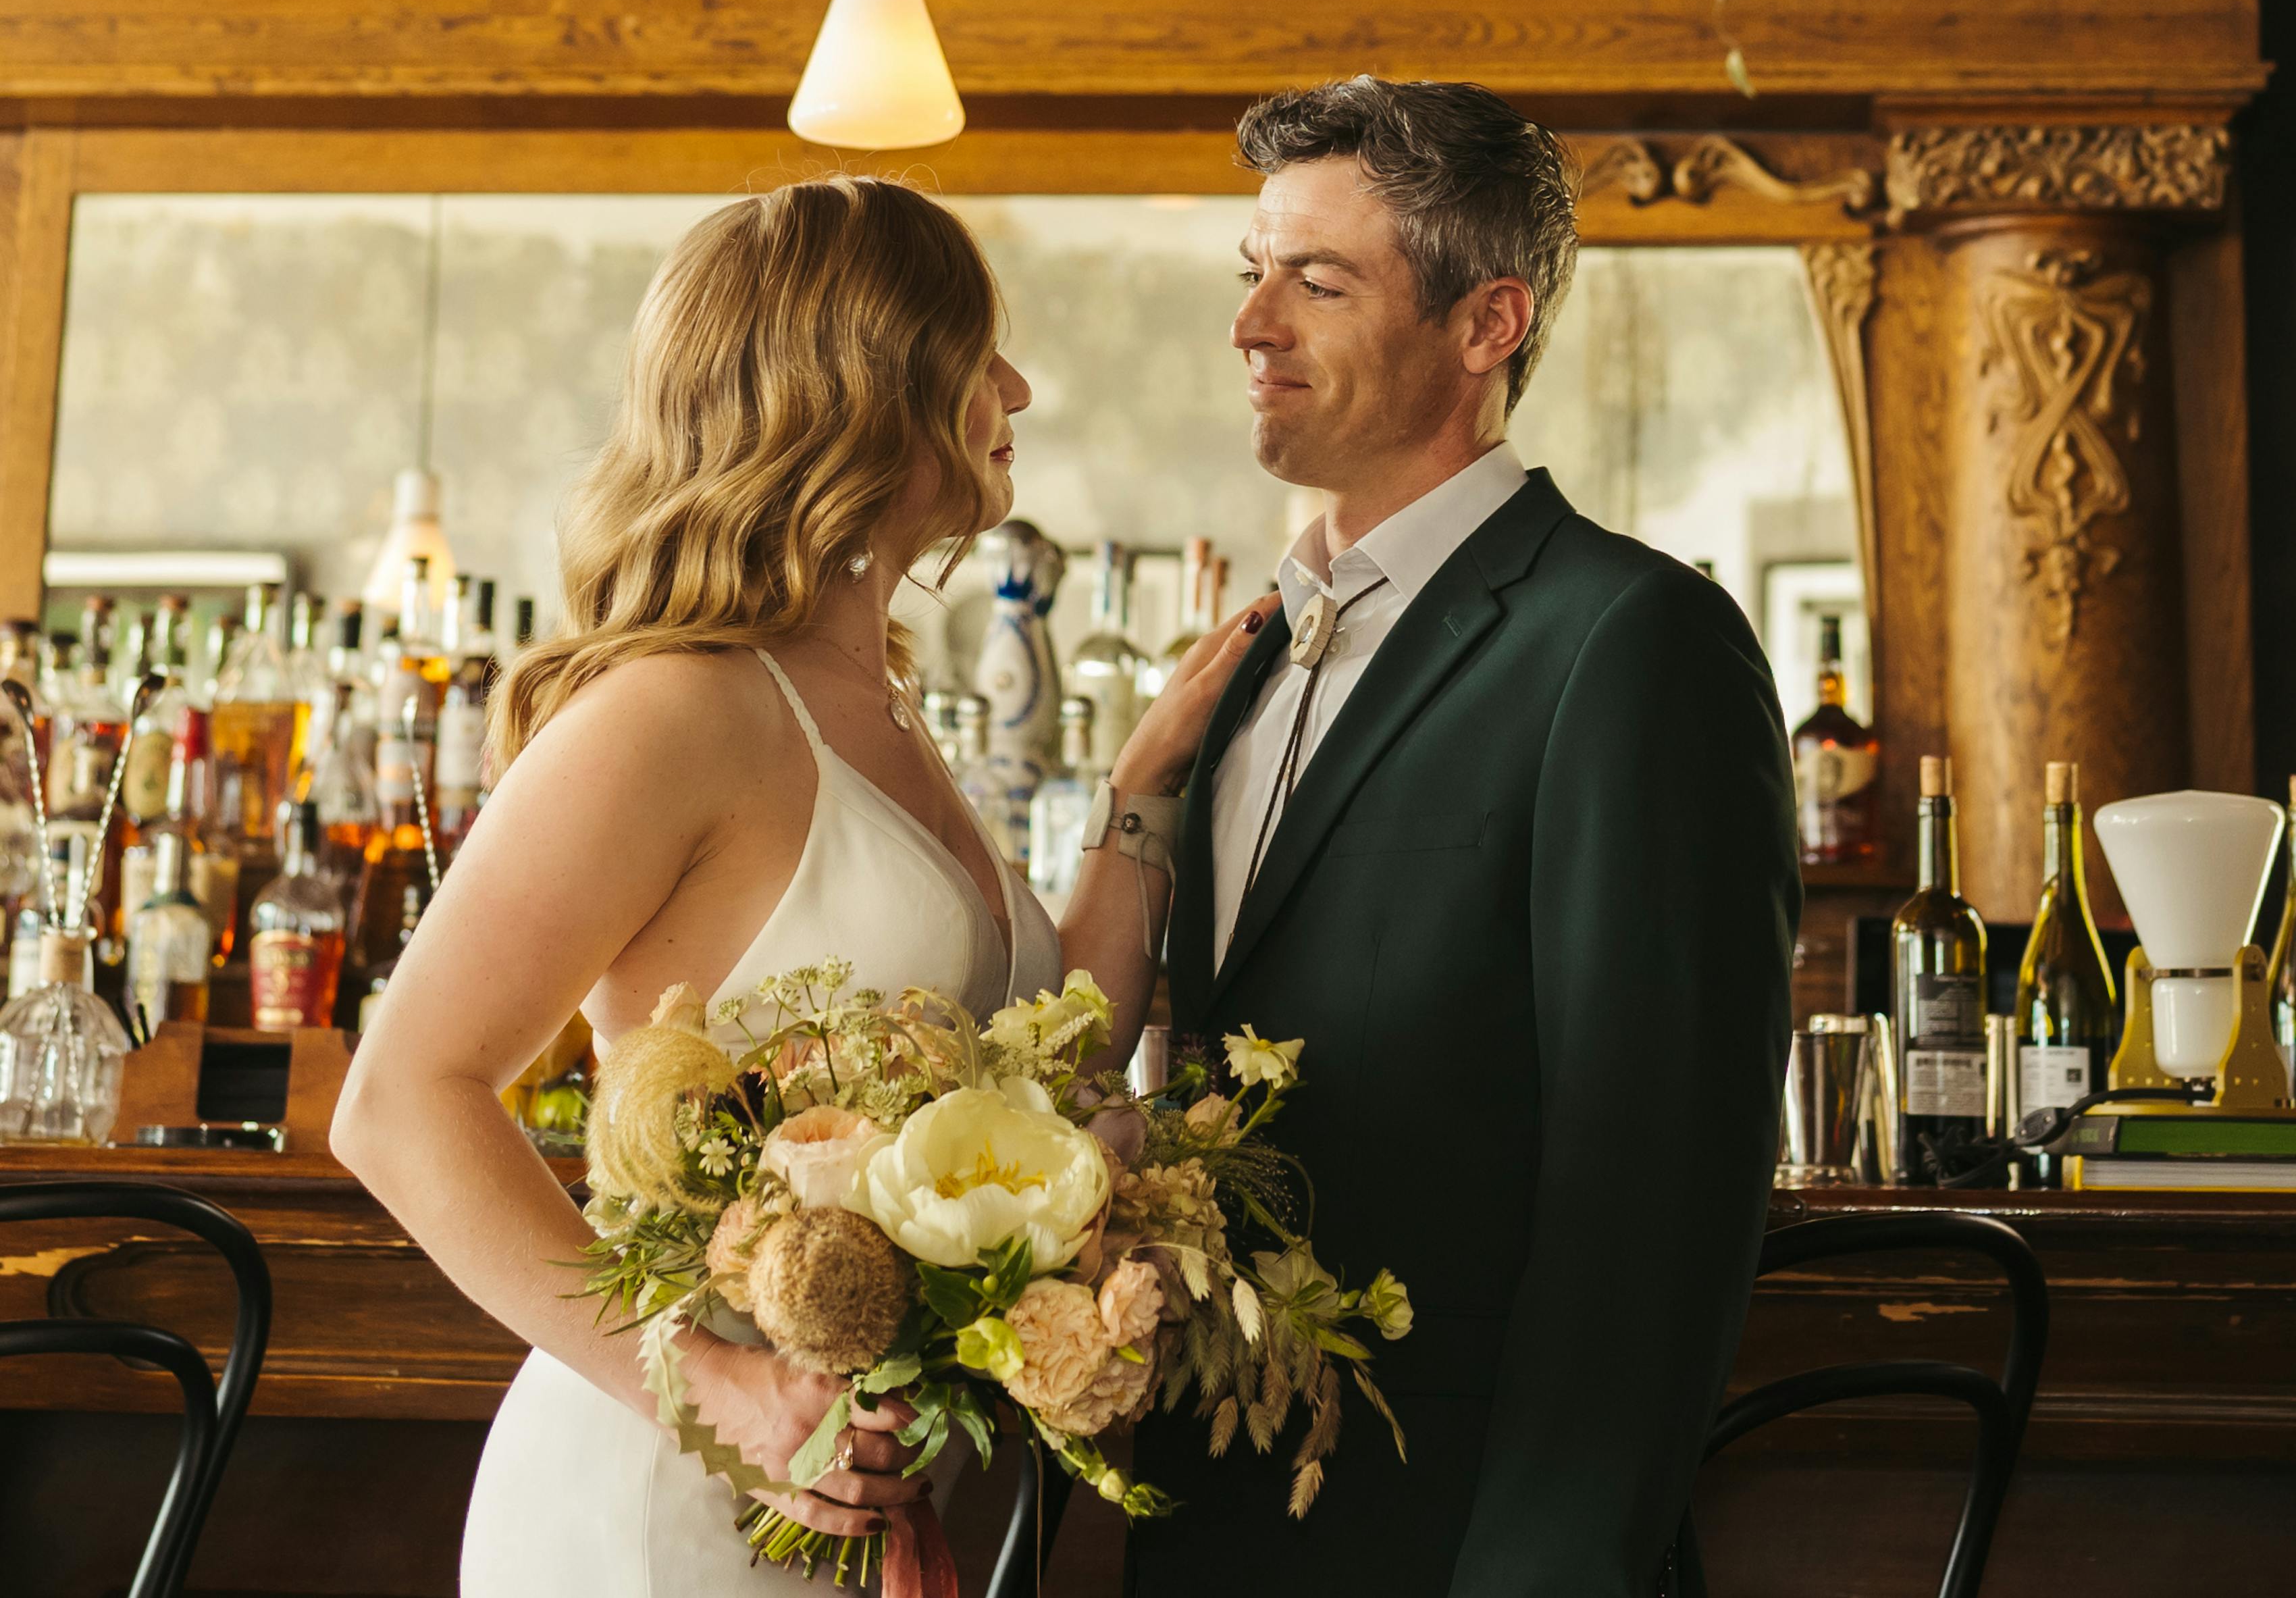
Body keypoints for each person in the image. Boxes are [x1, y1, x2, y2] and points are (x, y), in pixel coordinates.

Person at [332, 178, 1258, 1596]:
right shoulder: (677, 712)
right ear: (868, 384)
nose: (1015, 384)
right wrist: (709, 1387)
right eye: (977, 350)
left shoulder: (876, 706)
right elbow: (398, 1101)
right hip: (661, 1501)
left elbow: (1047, 1059)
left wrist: (1142, 794)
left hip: (851, 1492)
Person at [1130, 76, 1798, 1598]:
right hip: (1217, 1529)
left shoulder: (1630, 643)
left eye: (1316, 281)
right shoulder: (1242, 664)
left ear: (1487, 324)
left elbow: (1656, 1202)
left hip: (1458, 1544)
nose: (1250, 324)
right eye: (1251, 274)